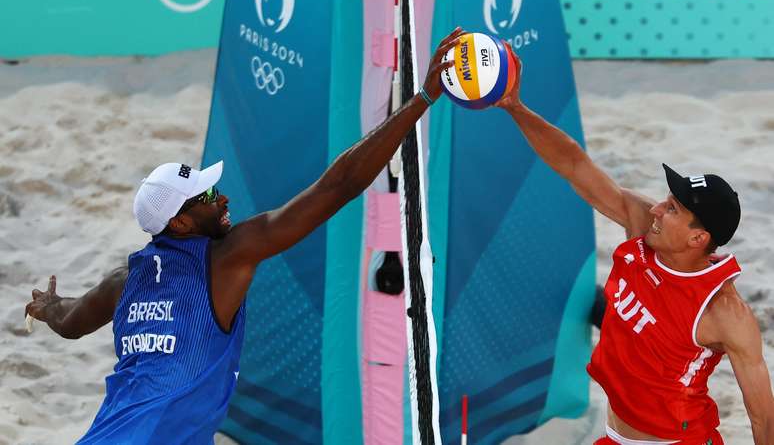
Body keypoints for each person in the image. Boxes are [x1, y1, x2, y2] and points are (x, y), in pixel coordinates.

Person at [24, 27, 467, 444]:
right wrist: (422, 98)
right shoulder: (227, 257)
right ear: (179, 224)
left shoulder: (122, 283)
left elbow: (70, 321)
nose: (222, 199)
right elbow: (339, 187)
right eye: (207, 196)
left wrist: (47, 307)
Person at [496, 47, 774, 444]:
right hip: (616, 434)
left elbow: (762, 415)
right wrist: (515, 107)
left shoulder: (723, 311)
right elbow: (576, 166)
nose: (657, 208)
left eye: (673, 208)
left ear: (699, 238)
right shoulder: (645, 228)